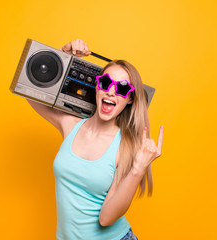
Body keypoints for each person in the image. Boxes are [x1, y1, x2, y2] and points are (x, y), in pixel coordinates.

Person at [25, 39, 164, 240]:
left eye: (122, 88)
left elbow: (106, 219)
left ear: (130, 99)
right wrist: (63, 56)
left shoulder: (126, 146)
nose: (110, 91)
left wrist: (138, 169)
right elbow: (31, 89)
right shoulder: (71, 125)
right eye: (106, 83)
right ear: (97, 86)